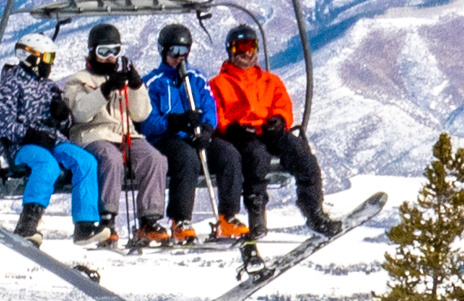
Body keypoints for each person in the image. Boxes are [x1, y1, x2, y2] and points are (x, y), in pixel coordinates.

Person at [210, 23, 340, 239]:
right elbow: (216, 114)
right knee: (256, 157)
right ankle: (257, 217)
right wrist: (232, 129)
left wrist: (280, 120)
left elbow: (283, 105)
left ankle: (314, 211)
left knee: (301, 153)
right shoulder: (219, 84)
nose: (246, 52)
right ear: (231, 50)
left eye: (250, 46)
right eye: (241, 47)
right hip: (244, 136)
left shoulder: (270, 81)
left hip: (270, 132)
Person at [59, 21, 169, 248]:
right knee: (110, 159)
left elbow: (141, 114)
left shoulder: (123, 80)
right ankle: (106, 220)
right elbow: (81, 113)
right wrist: (105, 90)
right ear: (92, 52)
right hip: (92, 136)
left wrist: (136, 87)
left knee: (154, 159)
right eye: (103, 52)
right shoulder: (79, 80)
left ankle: (149, 220)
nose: (110, 57)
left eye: (114, 51)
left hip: (125, 135)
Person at [0, 31, 101, 244]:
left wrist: (62, 116)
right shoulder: (6, 89)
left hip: (52, 141)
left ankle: (85, 225)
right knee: (47, 165)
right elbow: (3, 125)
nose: (51, 64)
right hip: (21, 146)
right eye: (48, 58)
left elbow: (65, 126)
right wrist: (31, 134)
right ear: (30, 57)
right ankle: (28, 223)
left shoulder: (50, 87)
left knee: (85, 161)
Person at [139, 22, 243, 244]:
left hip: (195, 135)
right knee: (187, 159)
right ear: (163, 51)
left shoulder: (196, 78)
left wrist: (206, 128)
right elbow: (148, 123)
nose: (179, 58)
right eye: (174, 52)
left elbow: (209, 107)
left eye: (184, 52)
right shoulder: (153, 83)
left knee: (228, 154)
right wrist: (176, 121)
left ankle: (228, 215)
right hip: (166, 138)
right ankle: (181, 219)